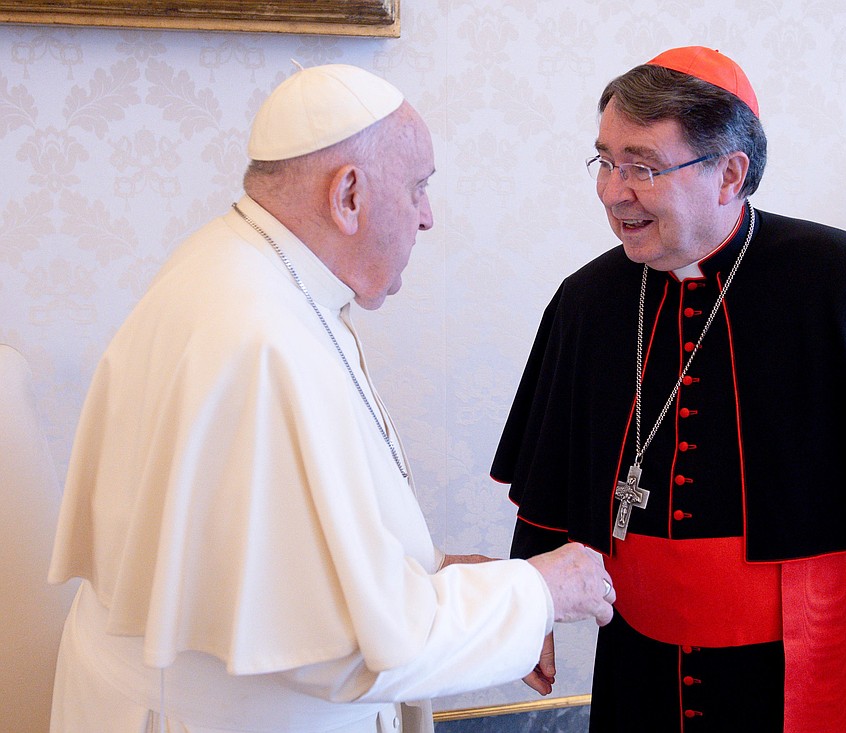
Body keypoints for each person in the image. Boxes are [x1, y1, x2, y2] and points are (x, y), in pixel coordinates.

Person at [47, 63, 615, 733]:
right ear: (348, 193)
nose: (427, 217)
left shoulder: (236, 264)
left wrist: (426, 571)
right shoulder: (263, 341)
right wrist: (537, 592)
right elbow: (350, 645)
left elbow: (292, 563)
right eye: (418, 188)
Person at [492, 47, 846, 732]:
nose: (613, 191)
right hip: (641, 666)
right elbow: (552, 468)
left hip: (801, 668)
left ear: (730, 173)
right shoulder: (587, 301)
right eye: (606, 160)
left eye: (642, 165)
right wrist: (530, 604)